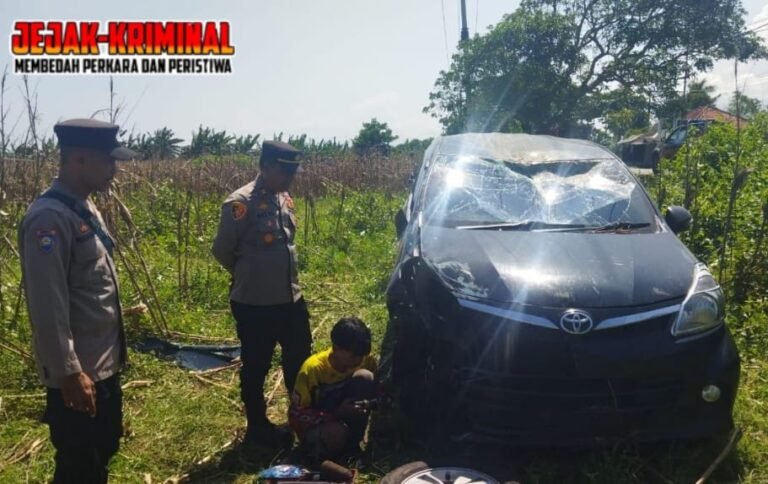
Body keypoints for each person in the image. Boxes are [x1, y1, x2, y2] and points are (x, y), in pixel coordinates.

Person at [19, 118, 137, 483]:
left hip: (102, 363)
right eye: (108, 161)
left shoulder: (84, 207)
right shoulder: (49, 219)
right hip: (79, 371)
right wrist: (69, 372)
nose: (114, 169)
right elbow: (47, 306)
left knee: (103, 447)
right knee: (79, 465)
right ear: (80, 160)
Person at [212, 140, 312, 448]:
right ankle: (257, 426)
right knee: (256, 365)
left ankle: (301, 418)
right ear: (266, 166)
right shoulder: (240, 203)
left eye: (293, 171)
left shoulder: (284, 199)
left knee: (299, 359)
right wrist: (249, 275)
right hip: (255, 304)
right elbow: (222, 251)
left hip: (290, 299)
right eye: (285, 171)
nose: (290, 177)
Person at [289, 317, 377, 462]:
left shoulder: (365, 361)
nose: (358, 361)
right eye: (353, 355)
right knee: (337, 432)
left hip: (345, 416)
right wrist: (336, 413)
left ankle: (352, 446)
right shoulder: (313, 370)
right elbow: (297, 414)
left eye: (361, 356)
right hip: (318, 424)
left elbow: (376, 391)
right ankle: (321, 455)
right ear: (336, 348)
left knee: (365, 377)